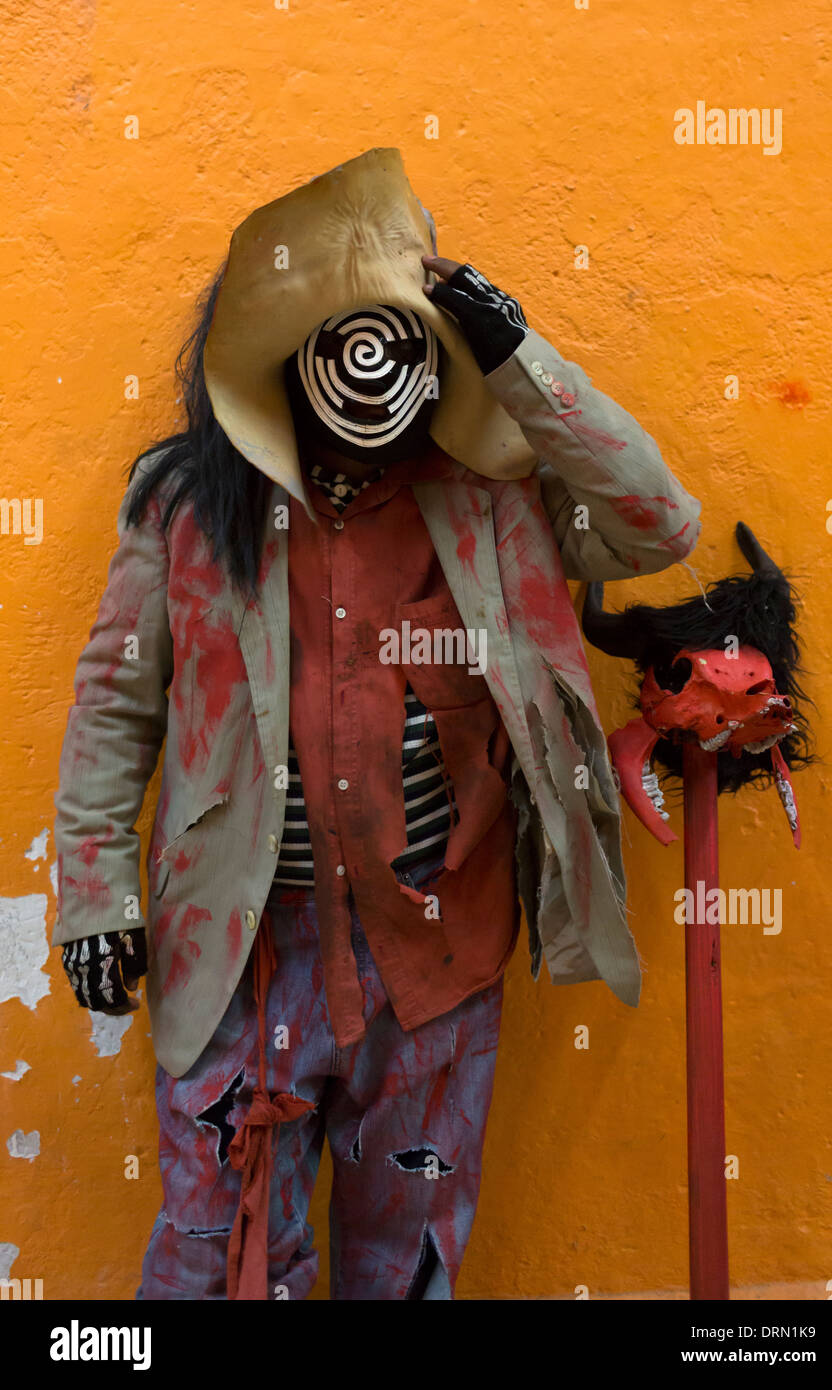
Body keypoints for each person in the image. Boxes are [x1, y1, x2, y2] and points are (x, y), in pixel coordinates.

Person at [52, 147, 702, 1300]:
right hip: (239, 953)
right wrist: (93, 894)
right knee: (217, 1257)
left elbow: (655, 522)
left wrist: (519, 357)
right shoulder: (188, 507)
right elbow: (114, 702)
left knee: (409, 1261)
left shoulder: (496, 503)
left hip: (435, 951)